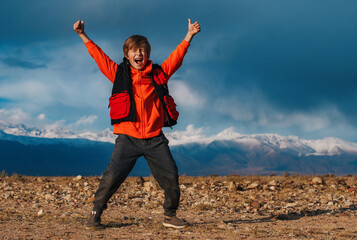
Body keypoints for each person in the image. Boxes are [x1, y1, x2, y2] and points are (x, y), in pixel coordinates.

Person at [73, 18, 200, 229]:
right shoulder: (118, 74)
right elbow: (99, 56)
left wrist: (189, 36)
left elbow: (176, 58)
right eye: (134, 50)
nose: (138, 53)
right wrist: (82, 34)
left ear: (147, 54)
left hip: (154, 138)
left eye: (142, 50)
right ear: (127, 54)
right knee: (111, 177)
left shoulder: (159, 74)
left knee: (171, 175)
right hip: (128, 137)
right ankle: (95, 215)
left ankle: (170, 215)